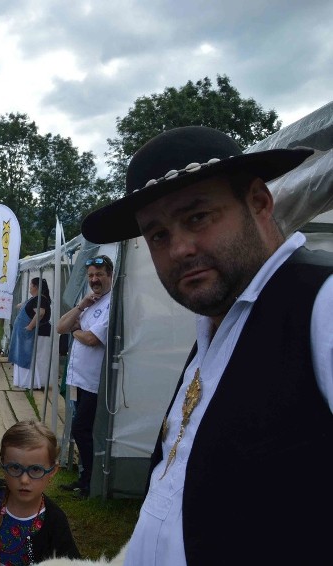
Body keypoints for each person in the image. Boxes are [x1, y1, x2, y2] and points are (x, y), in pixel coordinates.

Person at [79, 125, 332, 565]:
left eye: (197, 217)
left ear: (259, 202)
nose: (177, 248)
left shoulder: (321, 303)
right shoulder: (214, 331)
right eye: (157, 234)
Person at [0, 419, 80, 565]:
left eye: (36, 469)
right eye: (15, 468)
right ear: (3, 465)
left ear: (52, 471)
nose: (24, 480)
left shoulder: (54, 520)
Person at [55, 255, 113, 498]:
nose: (94, 279)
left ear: (110, 275)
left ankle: (90, 482)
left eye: (99, 274)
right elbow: (60, 327)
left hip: (94, 382)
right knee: (81, 430)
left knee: (82, 430)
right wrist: (81, 306)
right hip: (78, 379)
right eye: (90, 275)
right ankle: (84, 477)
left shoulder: (112, 303)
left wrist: (77, 329)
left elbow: (91, 339)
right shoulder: (91, 301)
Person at [9, 277, 52, 390]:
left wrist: (29, 327)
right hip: (30, 334)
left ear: (36, 287)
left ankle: (34, 382)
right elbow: (27, 306)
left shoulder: (41, 299)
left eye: (31, 286)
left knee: (35, 358)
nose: (29, 288)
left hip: (38, 334)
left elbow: (40, 313)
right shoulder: (35, 299)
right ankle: (26, 381)